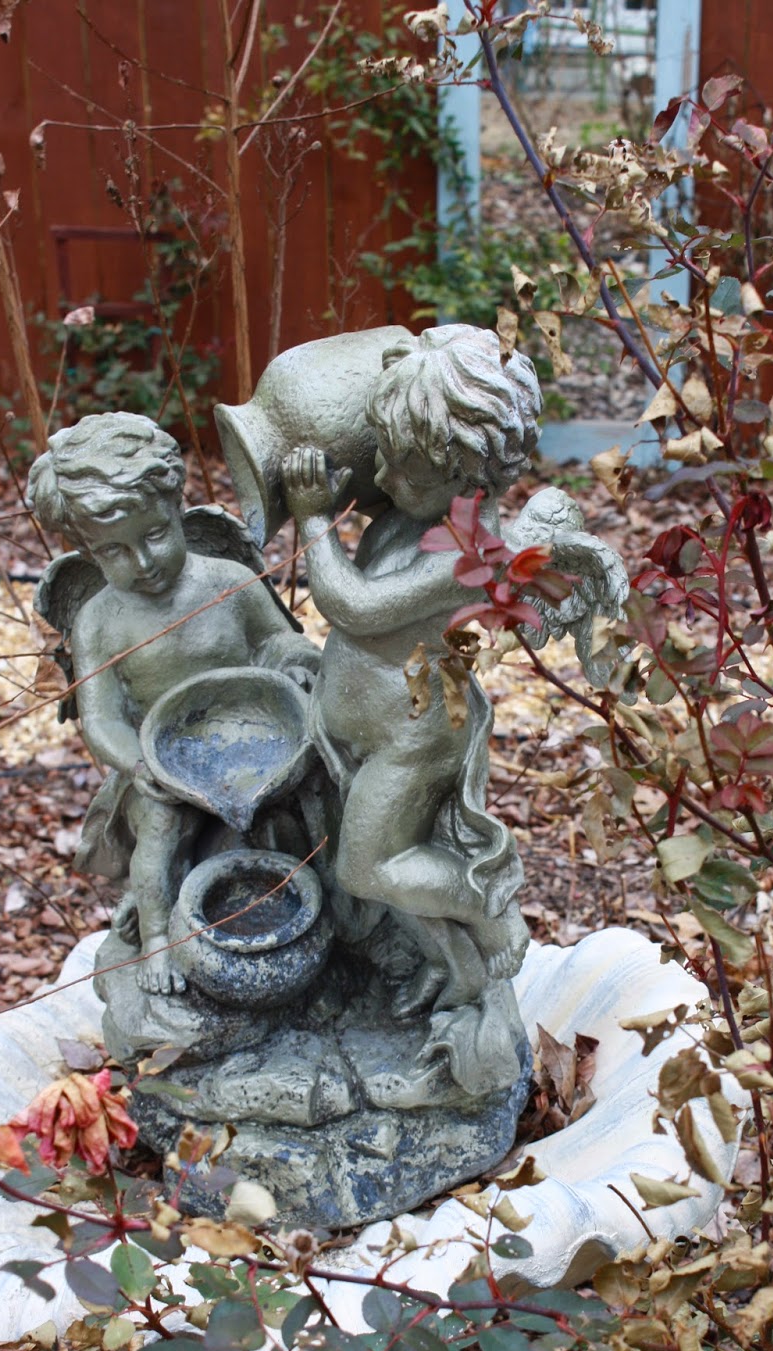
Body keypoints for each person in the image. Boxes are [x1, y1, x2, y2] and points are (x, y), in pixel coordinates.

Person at [281, 325, 543, 1017]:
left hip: (413, 741)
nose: (385, 481)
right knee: (389, 864)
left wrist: (314, 522)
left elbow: (357, 607)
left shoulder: (468, 551)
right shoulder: (417, 507)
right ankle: (453, 967)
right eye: (384, 456)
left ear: (469, 478)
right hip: (364, 730)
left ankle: (489, 909)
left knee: (370, 867)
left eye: (407, 470)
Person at [27, 413, 316, 995]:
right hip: (162, 761)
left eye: (156, 535)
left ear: (178, 509)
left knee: (311, 802)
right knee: (160, 833)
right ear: (87, 551)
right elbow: (102, 716)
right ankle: (157, 936)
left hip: (255, 740)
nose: (143, 563)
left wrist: (294, 662)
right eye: (114, 551)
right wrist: (137, 765)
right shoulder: (100, 621)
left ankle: (316, 907)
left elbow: (279, 640)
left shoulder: (226, 581)